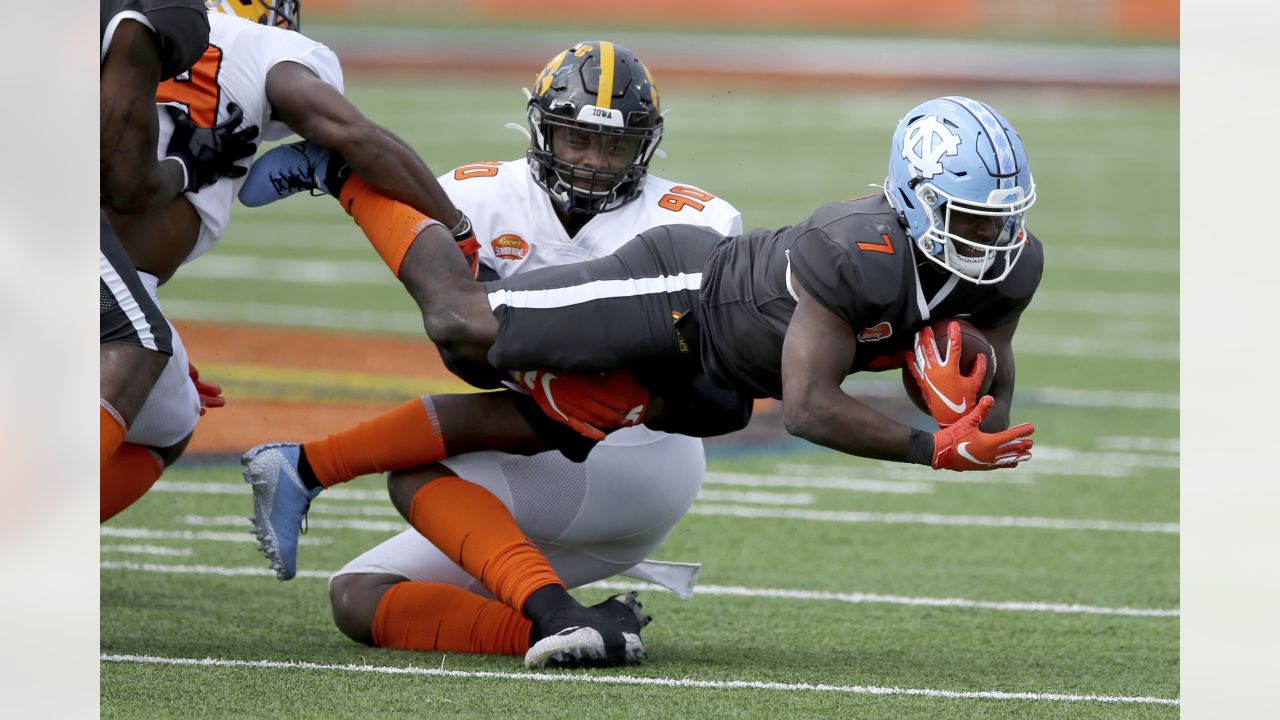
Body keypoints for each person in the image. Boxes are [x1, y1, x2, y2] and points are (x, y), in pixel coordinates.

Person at [243, 93, 1041, 663]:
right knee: (465, 322)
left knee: (557, 416)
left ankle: (306, 468)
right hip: (680, 300)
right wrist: (930, 446)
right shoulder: (856, 247)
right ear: (911, 197)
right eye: (971, 220)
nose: (991, 240)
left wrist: (965, 413)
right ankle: (342, 171)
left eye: (1003, 221)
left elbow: (990, 390)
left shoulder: (1012, 266)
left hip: (711, 389)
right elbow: (808, 408)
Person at [242, 42, 741, 669]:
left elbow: (717, 385)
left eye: (614, 146)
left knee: (423, 472)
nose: (593, 162)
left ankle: (308, 468)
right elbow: (456, 340)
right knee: (359, 598)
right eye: (577, 139)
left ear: (643, 146)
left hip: (638, 457)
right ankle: (571, 629)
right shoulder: (478, 195)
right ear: (540, 129)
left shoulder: (695, 222)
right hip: (541, 457)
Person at [100, 0, 474, 522]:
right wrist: (457, 227)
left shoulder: (136, 32)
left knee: (173, 413)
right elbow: (351, 134)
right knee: (142, 362)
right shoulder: (270, 48)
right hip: (96, 266)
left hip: (107, 272)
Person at [100, 0, 259, 476]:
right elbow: (127, 186)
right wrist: (191, 164)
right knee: (139, 345)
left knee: (166, 410)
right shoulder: (162, 21)